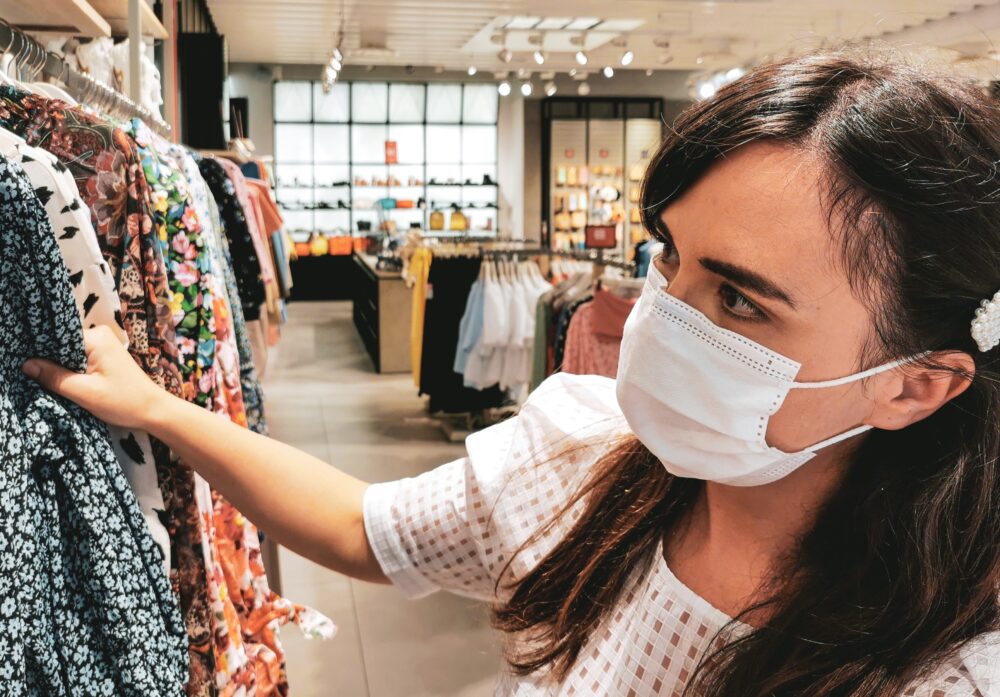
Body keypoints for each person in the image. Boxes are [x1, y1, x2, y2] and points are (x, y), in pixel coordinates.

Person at [23, 49, 1000, 695]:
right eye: (667, 256)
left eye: (740, 300)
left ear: (915, 383)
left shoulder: (950, 670)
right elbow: (365, 527)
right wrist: (159, 409)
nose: (662, 313)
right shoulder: (580, 457)